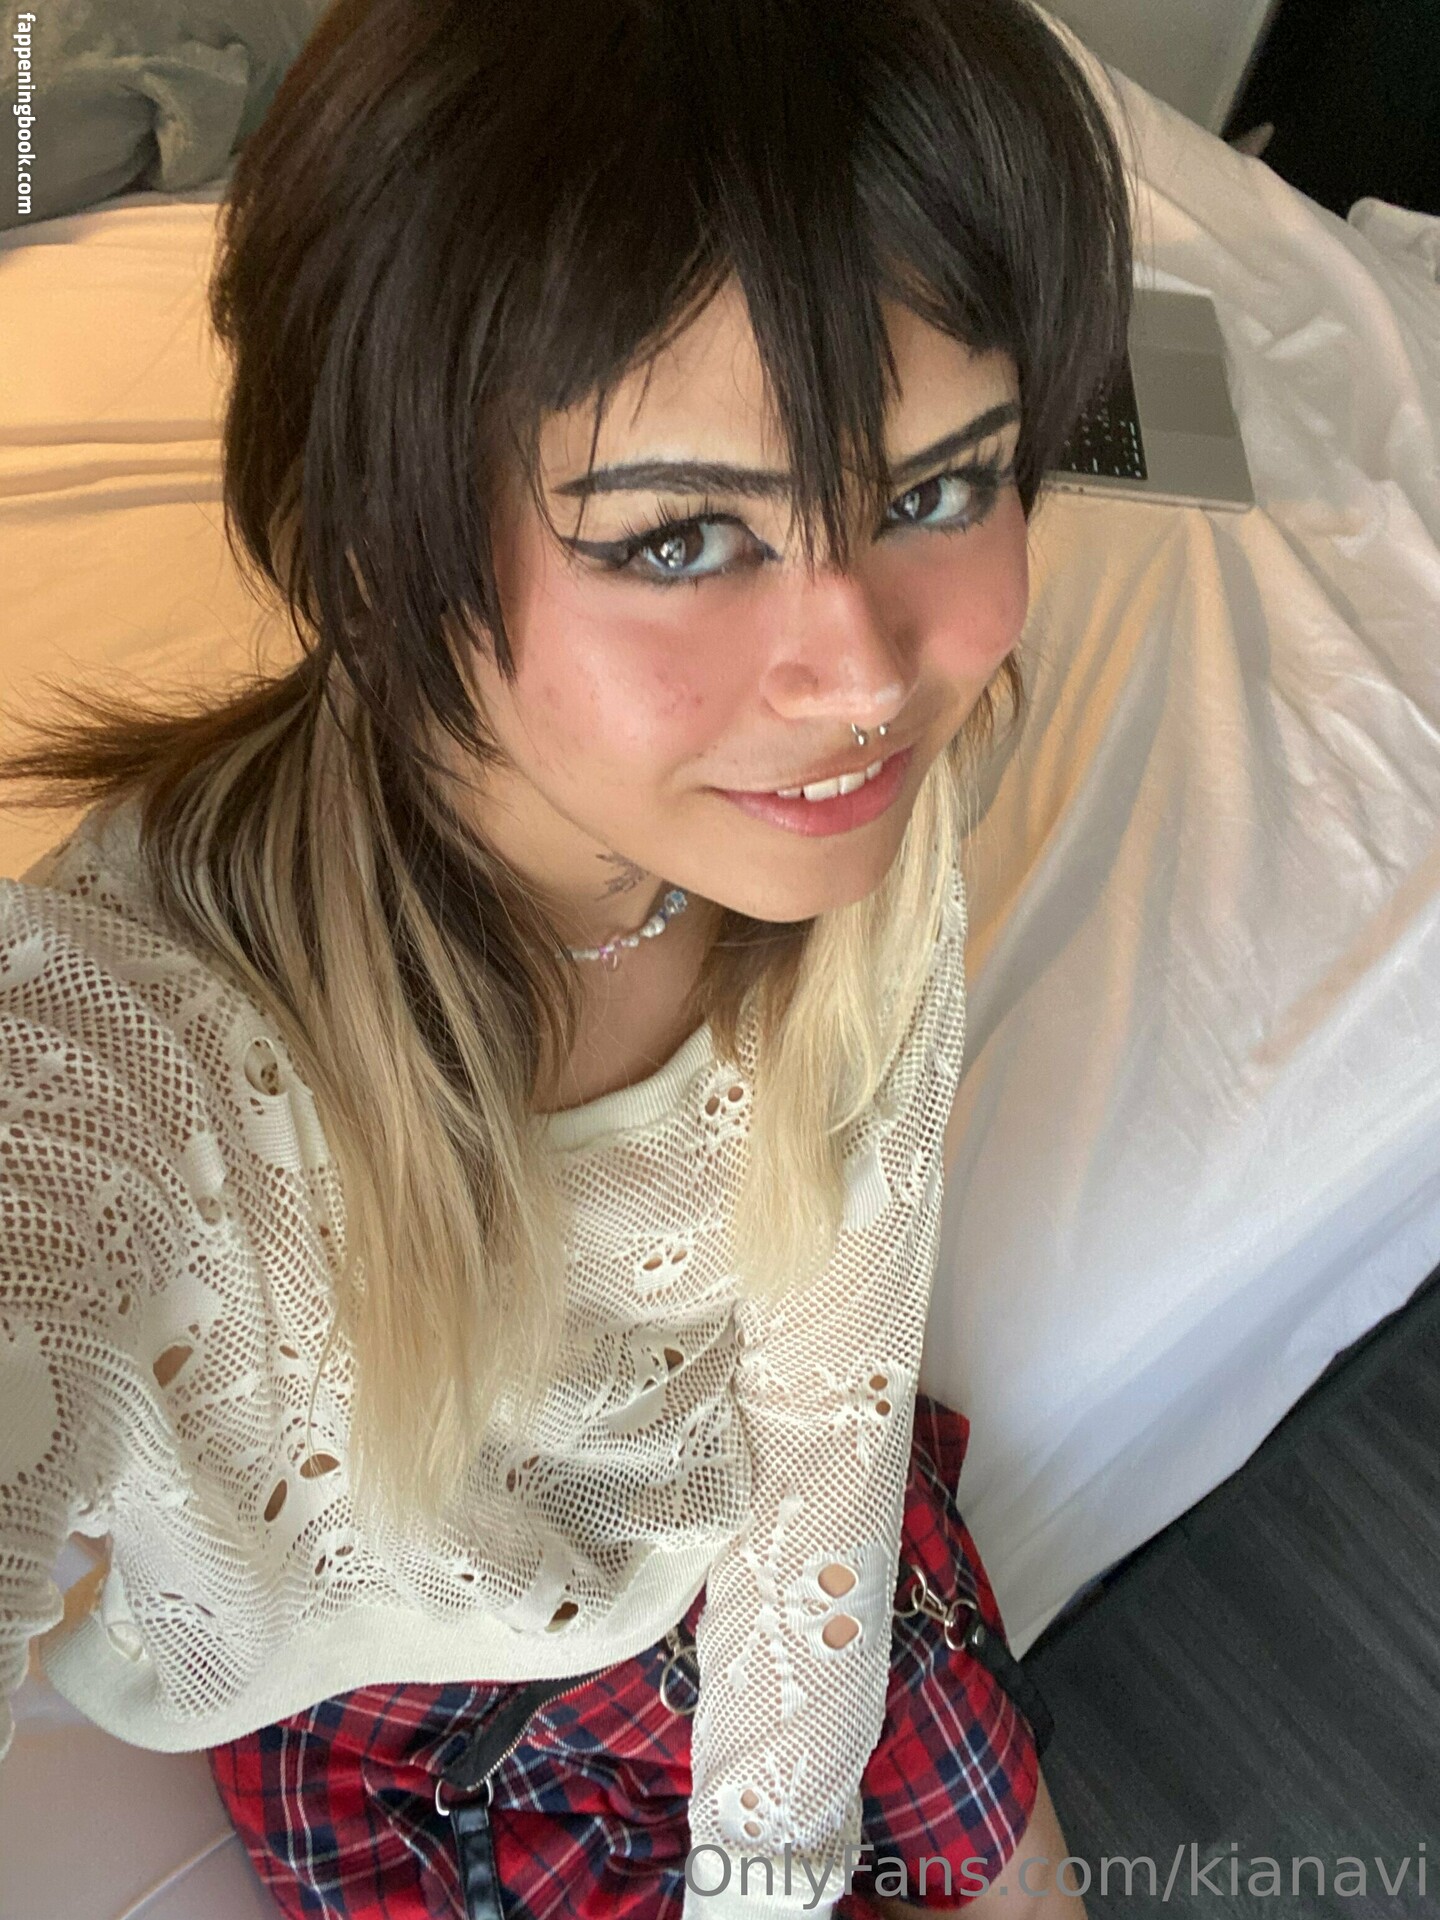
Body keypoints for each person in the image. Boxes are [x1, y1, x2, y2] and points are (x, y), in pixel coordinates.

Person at [0, 0, 1135, 1913]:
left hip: (778, 1538)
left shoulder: (860, 850)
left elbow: (824, 1417)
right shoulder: (115, 1068)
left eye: (938, 488)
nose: (863, 680)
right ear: (378, 553)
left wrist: (771, 1875)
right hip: (394, 1715)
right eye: (682, 536)